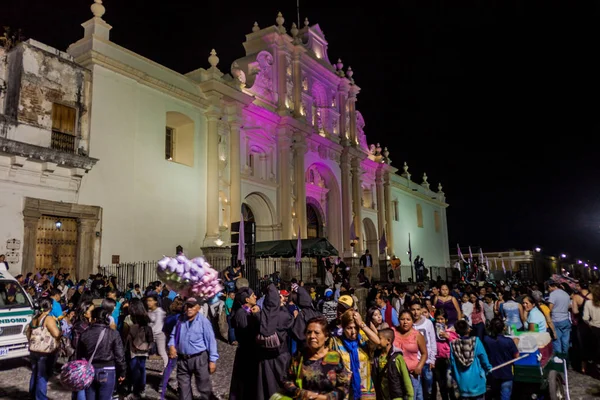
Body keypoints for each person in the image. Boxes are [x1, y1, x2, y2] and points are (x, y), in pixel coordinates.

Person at [281, 316, 351, 399]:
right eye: (309, 332)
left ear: (326, 336)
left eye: (317, 333)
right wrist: (302, 393)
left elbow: (344, 385)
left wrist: (327, 397)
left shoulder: (333, 357)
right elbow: (286, 381)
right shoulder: (299, 356)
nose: (312, 336)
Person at [168, 296, 219, 400]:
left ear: (198, 307)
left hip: (199, 358)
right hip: (183, 359)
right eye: (188, 306)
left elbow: (211, 341)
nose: (189, 309)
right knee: (183, 388)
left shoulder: (204, 322)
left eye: (192, 307)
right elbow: (173, 335)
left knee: (203, 387)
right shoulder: (180, 320)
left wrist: (213, 360)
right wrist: (172, 346)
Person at [77, 307, 126, 400]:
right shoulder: (114, 334)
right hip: (108, 369)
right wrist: (122, 372)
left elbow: (79, 355)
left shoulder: (85, 334)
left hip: (89, 370)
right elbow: (120, 356)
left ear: (94, 319)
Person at [330, 309, 380, 399]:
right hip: (345, 391)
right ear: (343, 328)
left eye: (356, 328)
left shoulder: (363, 341)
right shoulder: (335, 343)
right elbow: (329, 367)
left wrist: (362, 324)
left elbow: (377, 341)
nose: (353, 332)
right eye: (349, 328)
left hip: (365, 389)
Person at [27, 297, 61, 400]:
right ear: (50, 306)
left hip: (34, 351)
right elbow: (56, 333)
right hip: (44, 352)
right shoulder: (48, 319)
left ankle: (33, 395)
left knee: (35, 373)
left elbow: (28, 333)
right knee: (42, 376)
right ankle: (40, 398)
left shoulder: (35, 318)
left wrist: (33, 342)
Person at [229, 287, 260, 400]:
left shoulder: (249, 311)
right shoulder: (241, 313)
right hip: (246, 352)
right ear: (247, 299)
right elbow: (247, 333)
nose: (255, 297)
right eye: (253, 295)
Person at [449, 320, 492, 400]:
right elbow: (484, 358)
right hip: (477, 384)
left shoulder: (453, 344)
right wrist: (488, 368)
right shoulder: (476, 342)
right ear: (468, 329)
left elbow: (452, 363)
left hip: (462, 384)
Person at [122, 298, 153, 400]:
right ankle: (142, 389)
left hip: (133, 349)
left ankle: (134, 392)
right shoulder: (145, 317)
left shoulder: (128, 318)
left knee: (134, 369)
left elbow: (125, 334)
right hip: (144, 348)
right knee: (142, 368)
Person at [394, 310, 428, 400]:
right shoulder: (393, 332)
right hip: (395, 375)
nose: (405, 322)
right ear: (398, 320)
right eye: (402, 319)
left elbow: (424, 353)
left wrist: (419, 367)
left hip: (412, 374)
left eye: (408, 319)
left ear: (412, 321)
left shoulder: (417, 335)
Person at [483, 318, 519, 400]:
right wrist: (516, 344)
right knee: (505, 396)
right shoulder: (508, 341)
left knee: (495, 394)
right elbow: (516, 356)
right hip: (506, 373)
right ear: (504, 328)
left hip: (493, 373)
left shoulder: (486, 340)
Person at [375, 328, 414, 400]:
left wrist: (410, 396)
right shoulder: (378, 357)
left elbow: (406, 378)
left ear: (388, 341)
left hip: (396, 397)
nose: (377, 341)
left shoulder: (397, 358)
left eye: (379, 338)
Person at [547, 280, 572, 355]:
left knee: (557, 340)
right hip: (565, 319)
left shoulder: (553, 294)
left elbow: (550, 308)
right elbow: (568, 306)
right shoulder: (566, 294)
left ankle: (559, 358)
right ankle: (566, 357)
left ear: (550, 287)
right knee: (565, 340)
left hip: (556, 319)